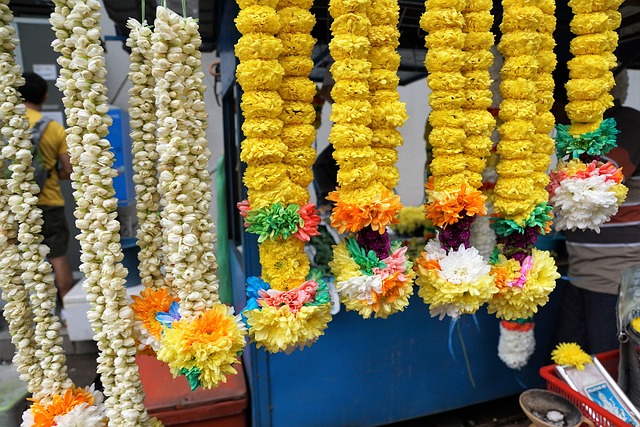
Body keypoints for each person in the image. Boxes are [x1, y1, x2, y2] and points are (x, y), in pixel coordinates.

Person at [552, 68, 640, 354]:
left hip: (616, 284)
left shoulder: (625, 124)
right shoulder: (578, 136)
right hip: (583, 276)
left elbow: (593, 186)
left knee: (610, 375)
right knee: (569, 370)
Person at [18, 72, 74, 302]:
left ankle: (28, 309)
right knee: (58, 256)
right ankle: (68, 313)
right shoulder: (53, 128)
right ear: (45, 95)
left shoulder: (8, 125)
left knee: (18, 259)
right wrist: (52, 173)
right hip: (49, 201)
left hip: (17, 204)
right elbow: (69, 170)